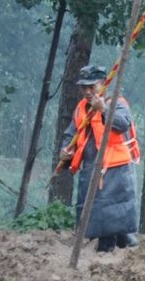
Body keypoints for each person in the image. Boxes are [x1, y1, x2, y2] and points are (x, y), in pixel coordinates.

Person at [60, 65, 140, 252]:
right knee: (95, 213)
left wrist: (103, 109)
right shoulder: (81, 109)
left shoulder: (117, 103)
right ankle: (120, 240)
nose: (87, 92)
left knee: (112, 212)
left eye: (92, 87)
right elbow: (70, 135)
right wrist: (65, 151)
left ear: (103, 84)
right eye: (84, 87)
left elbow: (122, 124)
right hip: (90, 168)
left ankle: (113, 245)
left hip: (115, 169)